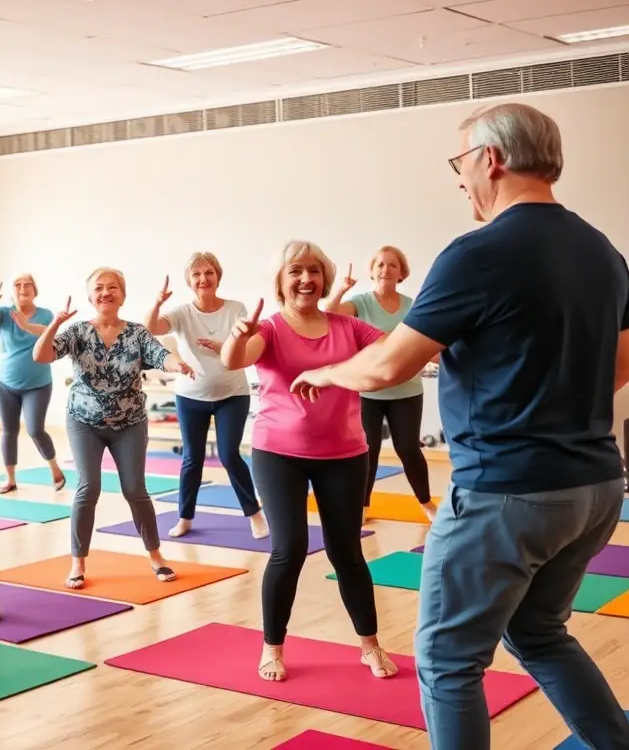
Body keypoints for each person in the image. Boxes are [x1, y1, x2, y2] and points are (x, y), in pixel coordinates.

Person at [289, 103, 629, 749]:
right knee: (538, 631)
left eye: (461, 162)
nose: (459, 178)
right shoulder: (602, 250)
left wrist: (330, 372)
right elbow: (621, 365)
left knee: (449, 661)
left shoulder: (478, 253)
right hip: (594, 487)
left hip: (507, 493)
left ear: (492, 159)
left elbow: (391, 362)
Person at [220, 240, 398, 684]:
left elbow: (396, 351)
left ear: (325, 279)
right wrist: (236, 338)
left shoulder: (348, 327)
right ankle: (272, 647)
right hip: (279, 453)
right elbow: (236, 360)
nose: (305, 279)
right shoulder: (270, 328)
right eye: (295, 271)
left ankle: (370, 646)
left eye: (314, 271)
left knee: (347, 552)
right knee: (289, 549)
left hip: (344, 454)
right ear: (281, 281)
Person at [32, 267, 193, 589]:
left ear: (122, 294)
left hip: (129, 422)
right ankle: (78, 561)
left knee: (135, 489)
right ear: (90, 296)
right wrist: (54, 325)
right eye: (99, 288)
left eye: (113, 288)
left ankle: (156, 556)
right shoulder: (77, 331)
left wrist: (178, 365)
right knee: (87, 488)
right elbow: (41, 355)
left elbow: (161, 355)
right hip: (84, 422)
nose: (106, 293)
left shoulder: (136, 333)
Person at [144, 252, 267, 539]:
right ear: (189, 281)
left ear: (217, 276)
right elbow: (151, 328)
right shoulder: (181, 313)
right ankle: (185, 517)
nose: (203, 278)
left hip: (232, 395)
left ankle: (254, 514)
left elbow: (247, 341)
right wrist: (158, 303)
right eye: (197, 274)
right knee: (192, 459)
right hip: (190, 397)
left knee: (228, 454)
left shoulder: (235, 308)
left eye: (208, 272)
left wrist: (222, 345)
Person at [325, 248, 436, 522]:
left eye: (392, 265)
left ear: (401, 273)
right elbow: (330, 314)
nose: (385, 269)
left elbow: (426, 343)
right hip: (368, 391)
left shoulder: (412, 305)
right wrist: (340, 290)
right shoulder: (361, 302)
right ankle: (362, 505)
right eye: (380, 264)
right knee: (369, 449)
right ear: (372, 271)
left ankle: (426, 503)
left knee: (409, 449)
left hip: (407, 391)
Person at [0, 273, 66, 493]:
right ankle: (10, 479)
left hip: (38, 383)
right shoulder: (4, 314)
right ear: (13, 291)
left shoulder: (45, 314)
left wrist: (25, 326)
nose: (23, 288)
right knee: (8, 431)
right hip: (4, 382)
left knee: (35, 429)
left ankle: (54, 468)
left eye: (27, 285)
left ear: (35, 291)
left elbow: (50, 334)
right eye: (18, 285)